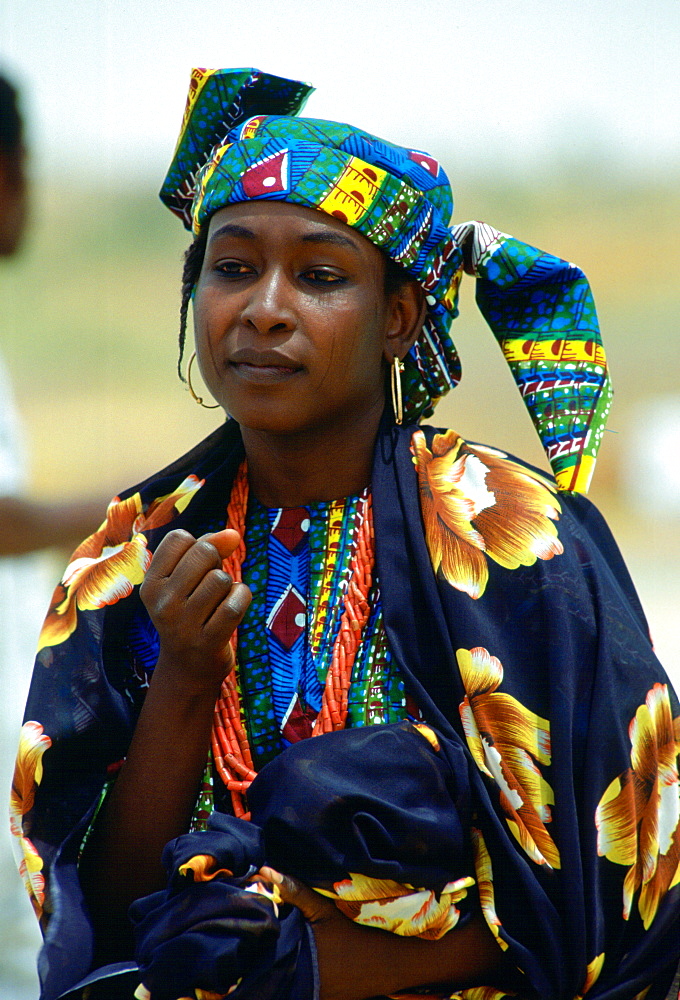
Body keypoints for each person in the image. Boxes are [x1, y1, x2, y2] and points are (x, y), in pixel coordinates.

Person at [10, 68, 680, 1000]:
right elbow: (106, 919)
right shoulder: (127, 561)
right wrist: (186, 675)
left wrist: (312, 970)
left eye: (321, 276)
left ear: (399, 318)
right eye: (233, 268)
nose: (265, 309)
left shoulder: (514, 541)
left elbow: (612, 893)